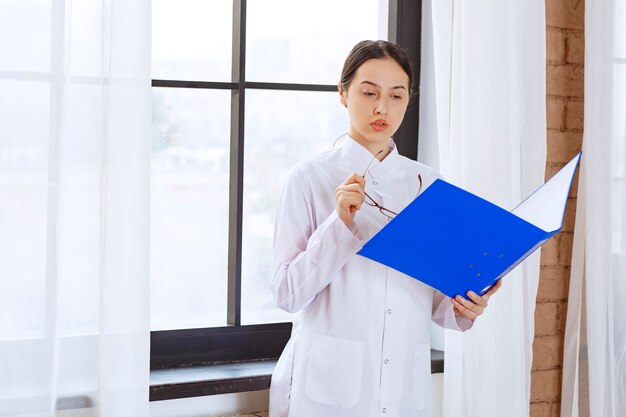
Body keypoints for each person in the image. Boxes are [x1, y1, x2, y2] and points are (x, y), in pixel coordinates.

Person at [269, 40, 502, 417]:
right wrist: (338, 224)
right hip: (328, 385)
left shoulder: (429, 184)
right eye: (369, 92)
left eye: (397, 95)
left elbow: (430, 299)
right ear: (342, 94)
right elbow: (286, 293)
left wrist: (465, 306)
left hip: (404, 388)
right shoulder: (309, 178)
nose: (383, 108)